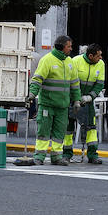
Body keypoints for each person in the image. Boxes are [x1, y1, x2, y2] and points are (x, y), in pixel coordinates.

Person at [27, 35, 80, 166]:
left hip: (62, 106)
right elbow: (37, 79)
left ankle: (57, 157)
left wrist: (77, 100)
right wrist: (32, 94)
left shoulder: (70, 62)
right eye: (69, 46)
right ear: (61, 47)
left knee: (59, 132)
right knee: (43, 131)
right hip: (47, 104)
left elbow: (75, 84)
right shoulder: (47, 60)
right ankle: (39, 156)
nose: (71, 49)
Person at [66, 43, 105, 164]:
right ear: (91, 55)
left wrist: (90, 97)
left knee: (91, 128)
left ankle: (93, 155)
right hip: (72, 100)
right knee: (68, 128)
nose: (101, 58)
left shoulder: (101, 64)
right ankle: (66, 154)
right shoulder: (75, 61)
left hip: (88, 101)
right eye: (98, 56)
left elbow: (99, 84)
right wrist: (77, 98)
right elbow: (70, 82)